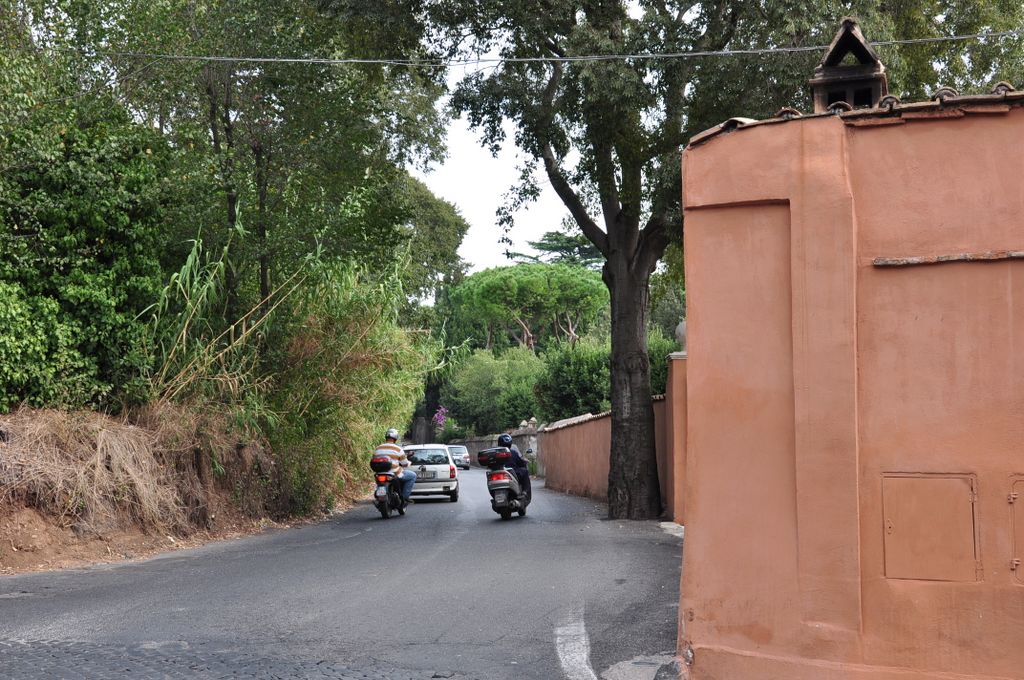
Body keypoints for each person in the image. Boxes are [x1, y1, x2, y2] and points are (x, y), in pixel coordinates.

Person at [374, 428, 416, 502]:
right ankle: (405, 498)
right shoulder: (398, 449)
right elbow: (404, 463)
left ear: (386, 437)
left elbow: (374, 459)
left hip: (380, 473)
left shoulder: (378, 448)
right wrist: (408, 463)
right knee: (412, 475)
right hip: (394, 473)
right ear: (395, 438)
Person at [497, 433, 531, 499]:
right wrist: (524, 462)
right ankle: (524, 491)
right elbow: (521, 463)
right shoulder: (513, 452)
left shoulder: (496, 453)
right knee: (525, 471)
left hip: (499, 473)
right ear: (510, 443)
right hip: (513, 473)